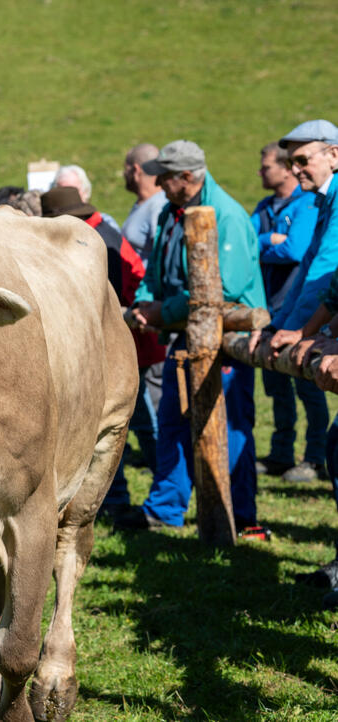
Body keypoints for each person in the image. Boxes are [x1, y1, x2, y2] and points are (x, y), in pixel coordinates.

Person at [120, 140, 267, 533]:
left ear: (187, 177)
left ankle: (240, 514)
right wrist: (145, 303)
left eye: (164, 176)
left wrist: (161, 312)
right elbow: (156, 275)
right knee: (172, 420)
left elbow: (226, 290)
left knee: (231, 426)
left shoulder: (228, 216)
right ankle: (165, 509)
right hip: (184, 334)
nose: (158, 182)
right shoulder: (172, 211)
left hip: (228, 342)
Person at [39, 187, 152, 518]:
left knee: (113, 423)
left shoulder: (91, 241)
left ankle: (115, 500)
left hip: (112, 341)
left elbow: (114, 290)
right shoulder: (97, 234)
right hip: (107, 339)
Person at [250, 140, 326, 481]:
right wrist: (270, 241)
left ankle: (314, 457)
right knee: (275, 387)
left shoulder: (310, 203)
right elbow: (247, 245)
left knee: (308, 386)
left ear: (283, 168)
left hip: (299, 312)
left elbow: (296, 250)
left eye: (266, 166)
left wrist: (262, 243)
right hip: (272, 313)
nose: (260, 172)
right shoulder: (265, 207)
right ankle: (281, 453)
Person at [119, 143, 168, 479]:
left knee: (156, 398)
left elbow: (158, 263)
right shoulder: (144, 206)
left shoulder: (159, 206)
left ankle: (165, 468)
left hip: (152, 316)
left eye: (125, 167)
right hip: (140, 309)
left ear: (136, 169)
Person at [53, 163, 120, 232]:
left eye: (73, 191)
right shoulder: (50, 227)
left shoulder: (105, 223)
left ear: (85, 191)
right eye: (61, 192)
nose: (67, 197)